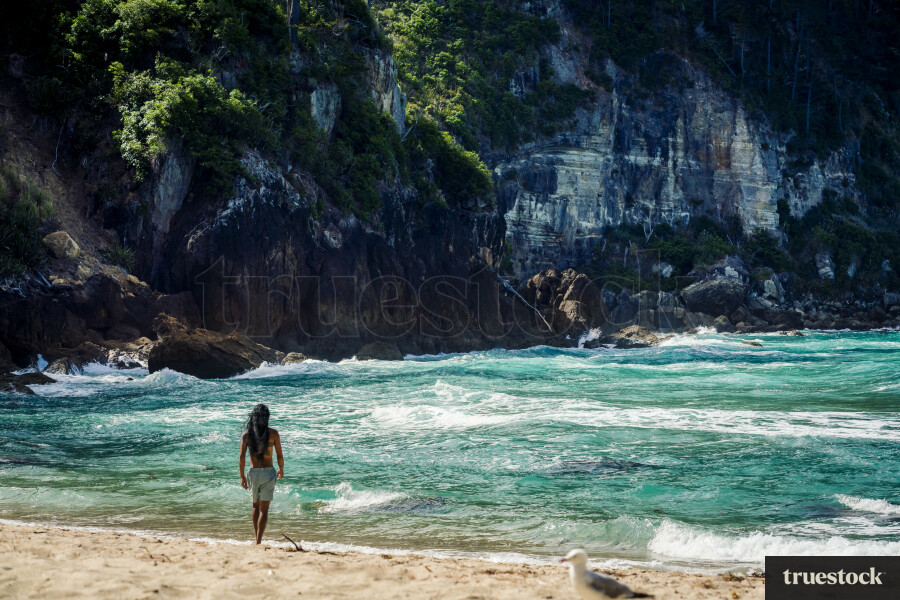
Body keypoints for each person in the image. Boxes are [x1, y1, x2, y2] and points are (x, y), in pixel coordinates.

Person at [239, 404, 284, 545]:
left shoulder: (247, 435)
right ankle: (259, 541)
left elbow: (241, 457)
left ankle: (256, 539)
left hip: (253, 472)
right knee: (264, 510)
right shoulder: (273, 433)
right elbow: (279, 455)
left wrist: (242, 476)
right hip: (268, 473)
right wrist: (281, 469)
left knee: (255, 507)